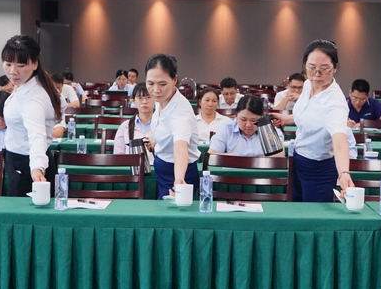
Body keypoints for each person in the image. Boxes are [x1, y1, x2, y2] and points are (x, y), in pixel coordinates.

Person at [270, 40, 354, 202]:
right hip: (297, 160)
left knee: (314, 215)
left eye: (324, 69)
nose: (317, 74)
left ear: (335, 68)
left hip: (319, 169)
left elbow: (339, 142)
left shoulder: (335, 103)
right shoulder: (308, 84)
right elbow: (311, 115)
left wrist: (344, 173)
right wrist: (288, 119)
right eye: (311, 68)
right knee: (296, 210)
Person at [1, 35, 62, 197]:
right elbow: (61, 105)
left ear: (35, 64)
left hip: (27, 164)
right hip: (22, 160)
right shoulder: (34, 83)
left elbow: (37, 135)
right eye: (8, 64)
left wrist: (36, 168)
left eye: (21, 65)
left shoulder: (33, 99)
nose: (12, 71)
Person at [145, 54, 200, 199]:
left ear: (174, 80)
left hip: (177, 174)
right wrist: (156, 140)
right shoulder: (162, 99)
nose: (155, 90)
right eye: (150, 83)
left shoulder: (181, 111)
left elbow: (180, 147)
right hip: (162, 169)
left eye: (162, 84)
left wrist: (179, 180)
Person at [209, 95, 283, 156]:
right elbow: (211, 154)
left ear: (261, 117)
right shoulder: (226, 129)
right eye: (243, 119)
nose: (248, 125)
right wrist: (231, 158)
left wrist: (248, 162)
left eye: (254, 120)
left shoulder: (270, 128)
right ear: (236, 116)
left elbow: (279, 155)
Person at [113, 83, 155, 164]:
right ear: (134, 101)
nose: (144, 101)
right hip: (130, 170)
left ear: (155, 99)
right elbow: (118, 157)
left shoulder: (163, 126)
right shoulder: (125, 127)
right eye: (140, 98)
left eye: (148, 97)